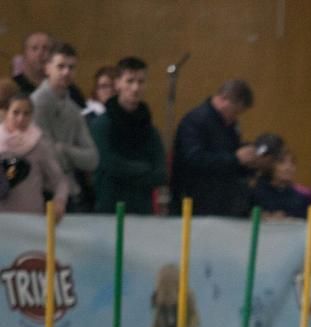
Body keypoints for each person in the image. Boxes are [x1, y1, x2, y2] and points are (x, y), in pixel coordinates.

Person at [170, 79, 263, 216]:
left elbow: (231, 156)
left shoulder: (229, 125)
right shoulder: (195, 121)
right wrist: (235, 159)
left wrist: (248, 162)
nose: (235, 118)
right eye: (235, 112)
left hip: (222, 201)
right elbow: (193, 159)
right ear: (224, 99)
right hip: (195, 200)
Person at [90, 57, 167, 214]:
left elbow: (161, 172)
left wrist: (130, 172)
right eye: (129, 81)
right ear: (117, 84)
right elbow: (108, 163)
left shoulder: (150, 129)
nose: (135, 88)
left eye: (141, 81)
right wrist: (144, 169)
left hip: (142, 209)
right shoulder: (101, 125)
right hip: (109, 209)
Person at [30, 42, 99, 211]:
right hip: (40, 192)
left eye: (71, 67)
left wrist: (64, 149)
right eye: (60, 66)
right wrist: (73, 155)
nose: (66, 72)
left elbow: (93, 159)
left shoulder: (74, 109)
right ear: (47, 68)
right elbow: (47, 156)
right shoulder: (35, 104)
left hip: (69, 193)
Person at [0, 93, 69, 219]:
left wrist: (59, 201)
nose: (21, 118)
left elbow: (60, 181)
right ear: (6, 113)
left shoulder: (40, 145)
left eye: (26, 114)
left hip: (31, 221)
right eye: (15, 112)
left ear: (32, 116)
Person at [14, 32, 86, 108]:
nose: (40, 53)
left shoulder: (71, 91)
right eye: (34, 48)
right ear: (24, 54)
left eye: (45, 48)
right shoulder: (14, 87)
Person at [251, 149, 310, 220]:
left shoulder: (301, 199)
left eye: (292, 163)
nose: (288, 168)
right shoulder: (257, 194)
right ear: (272, 166)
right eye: (282, 162)